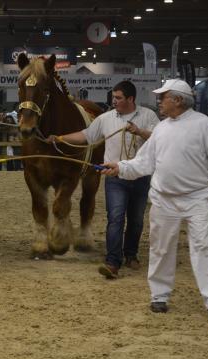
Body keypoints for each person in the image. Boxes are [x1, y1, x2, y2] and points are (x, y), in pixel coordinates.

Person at [99, 79, 208, 324]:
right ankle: (159, 295)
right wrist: (119, 167)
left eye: (163, 97)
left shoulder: (205, 126)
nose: (159, 102)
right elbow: (144, 162)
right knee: (161, 248)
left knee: (204, 247)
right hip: (164, 199)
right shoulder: (162, 129)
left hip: (197, 199)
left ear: (179, 100)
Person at [52, 81, 160, 279]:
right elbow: (86, 136)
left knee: (136, 220)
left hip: (141, 176)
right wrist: (59, 138)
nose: (114, 101)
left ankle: (131, 254)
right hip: (115, 176)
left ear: (131, 99)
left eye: (118, 98)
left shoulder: (148, 116)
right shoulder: (105, 119)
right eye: (114, 97)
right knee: (116, 218)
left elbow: (160, 139)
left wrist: (140, 131)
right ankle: (112, 262)